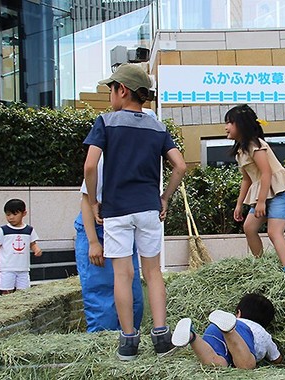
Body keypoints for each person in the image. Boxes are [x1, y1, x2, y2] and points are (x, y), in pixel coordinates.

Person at [83, 63, 187, 360]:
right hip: (148, 209)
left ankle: (129, 341)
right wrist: (165, 197)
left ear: (122, 90)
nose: (110, 95)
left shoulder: (105, 121)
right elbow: (179, 166)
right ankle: (161, 337)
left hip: (117, 210)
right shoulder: (157, 126)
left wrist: (93, 201)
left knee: (123, 274)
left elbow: (90, 166)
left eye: (111, 89)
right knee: (153, 273)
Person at [74, 154, 144, 332]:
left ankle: (130, 339)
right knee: (101, 296)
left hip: (124, 229)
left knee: (134, 296)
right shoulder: (106, 158)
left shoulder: (140, 157)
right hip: (98, 229)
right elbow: (87, 200)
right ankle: (104, 345)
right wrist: (93, 242)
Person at [225, 104, 285, 272]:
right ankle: (261, 266)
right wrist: (239, 205)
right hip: (264, 193)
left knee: (274, 233)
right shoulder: (240, 151)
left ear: (242, 124)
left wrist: (260, 202)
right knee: (249, 228)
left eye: (230, 122)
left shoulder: (255, 145)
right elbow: (247, 179)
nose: (226, 127)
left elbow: (266, 173)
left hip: (281, 191)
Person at [171, 293, 282, 369]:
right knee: (245, 366)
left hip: (215, 328)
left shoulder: (237, 320)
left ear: (238, 313)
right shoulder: (262, 333)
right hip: (240, 330)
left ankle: (192, 337)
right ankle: (229, 332)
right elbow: (276, 358)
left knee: (217, 364)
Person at [0, 199, 43, 294]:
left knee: (24, 294)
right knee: (7, 292)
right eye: (8, 215)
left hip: (23, 269)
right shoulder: (3, 230)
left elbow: (32, 243)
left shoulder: (29, 230)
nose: (11, 218)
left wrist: (37, 250)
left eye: (15, 214)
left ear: (24, 213)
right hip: (7, 268)